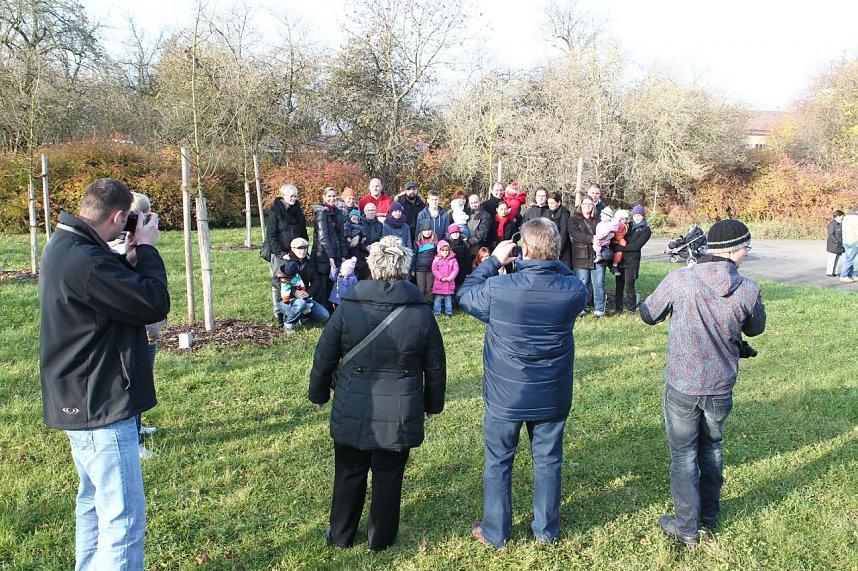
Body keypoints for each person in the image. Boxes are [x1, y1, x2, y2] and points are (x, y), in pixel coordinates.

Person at [40, 178, 170, 570]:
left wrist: (124, 263)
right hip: (101, 403)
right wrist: (145, 249)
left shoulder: (65, 245)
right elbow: (153, 303)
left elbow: (100, 291)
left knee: (93, 505)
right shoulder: (88, 262)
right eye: (126, 219)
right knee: (123, 519)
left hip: (80, 397)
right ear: (117, 216)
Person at [309, 236, 447, 552]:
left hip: (353, 403)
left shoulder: (347, 308)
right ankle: (380, 539)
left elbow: (324, 355)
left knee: (348, 472)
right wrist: (432, 404)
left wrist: (319, 394)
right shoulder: (421, 312)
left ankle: (341, 534)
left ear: (372, 266)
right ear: (405, 269)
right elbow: (435, 365)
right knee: (388, 474)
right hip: (399, 409)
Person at [457, 218, 588, 549]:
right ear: (555, 252)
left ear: (523, 249)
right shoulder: (572, 291)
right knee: (548, 460)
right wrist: (549, 259)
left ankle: (495, 532)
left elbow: (466, 294)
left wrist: (493, 261)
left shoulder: (500, 288)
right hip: (551, 393)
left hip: (507, 394)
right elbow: (572, 280)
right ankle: (546, 531)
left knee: (500, 460)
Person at [640, 219, 766, 548]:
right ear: (734, 252)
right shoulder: (748, 290)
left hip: (683, 384)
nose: (748, 252)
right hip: (719, 386)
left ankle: (687, 527)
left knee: (683, 456)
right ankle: (708, 516)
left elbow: (648, 313)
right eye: (745, 248)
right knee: (711, 450)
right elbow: (754, 329)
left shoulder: (680, 279)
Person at [266, 184, 310, 325]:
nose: (294, 198)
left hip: (296, 252)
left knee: (296, 280)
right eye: (291, 196)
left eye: (295, 196)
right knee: (280, 281)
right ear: (283, 196)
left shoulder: (298, 211)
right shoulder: (275, 211)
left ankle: (295, 310)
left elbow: (303, 231)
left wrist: (304, 250)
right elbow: (271, 235)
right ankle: (279, 312)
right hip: (280, 252)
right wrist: (280, 253)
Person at [569, 195, 607, 316]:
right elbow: (575, 234)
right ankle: (581, 307)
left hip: (597, 256)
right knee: (582, 283)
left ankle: (599, 309)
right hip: (581, 256)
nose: (587, 206)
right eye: (584, 204)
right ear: (580, 205)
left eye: (589, 204)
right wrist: (592, 239)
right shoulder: (574, 219)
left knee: (598, 283)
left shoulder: (599, 220)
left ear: (593, 206)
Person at [311, 187, 348, 308]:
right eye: (329, 196)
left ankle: (330, 310)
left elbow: (341, 235)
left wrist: (343, 254)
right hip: (323, 254)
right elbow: (323, 237)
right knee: (322, 285)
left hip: (336, 252)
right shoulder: (321, 212)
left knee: (333, 284)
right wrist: (330, 256)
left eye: (334, 196)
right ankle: (319, 311)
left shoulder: (338, 212)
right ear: (324, 197)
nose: (332, 199)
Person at [613, 205, 652, 315]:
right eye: (635, 215)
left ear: (643, 216)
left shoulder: (646, 230)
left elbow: (636, 246)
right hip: (621, 259)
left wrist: (621, 248)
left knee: (629, 285)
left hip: (632, 261)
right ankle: (618, 309)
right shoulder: (628, 226)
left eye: (639, 215)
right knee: (619, 285)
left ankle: (631, 309)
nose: (637, 218)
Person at [432, 239, 459, 316]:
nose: (445, 252)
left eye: (447, 250)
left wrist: (450, 277)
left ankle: (449, 312)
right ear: (439, 251)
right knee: (438, 299)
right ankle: (437, 312)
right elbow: (434, 269)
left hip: (449, 283)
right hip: (439, 283)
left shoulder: (453, 259)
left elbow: (456, 269)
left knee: (448, 299)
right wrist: (441, 277)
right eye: (443, 250)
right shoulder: (436, 260)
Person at [545, 192, 572, 268]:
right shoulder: (548, 213)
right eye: (549, 203)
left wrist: (559, 251)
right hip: (550, 247)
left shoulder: (564, 213)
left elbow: (564, 233)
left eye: (552, 203)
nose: (550, 205)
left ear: (559, 202)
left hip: (563, 249)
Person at [414, 221, 438, 303]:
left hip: (431, 269)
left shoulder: (435, 242)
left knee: (429, 288)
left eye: (429, 230)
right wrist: (412, 269)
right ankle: (420, 304)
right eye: (425, 230)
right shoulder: (417, 242)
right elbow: (414, 255)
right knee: (421, 288)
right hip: (419, 269)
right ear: (421, 232)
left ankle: (430, 305)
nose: (427, 232)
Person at [466, 194, 492, 264]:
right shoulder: (466, 214)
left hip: (477, 247)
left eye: (475, 202)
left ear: (480, 202)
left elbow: (482, 233)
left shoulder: (485, 216)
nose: (474, 205)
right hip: (465, 246)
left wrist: (469, 242)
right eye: (471, 203)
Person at [446, 223, 470, 290]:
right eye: (453, 233)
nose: (455, 234)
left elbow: (467, 259)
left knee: (460, 286)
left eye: (457, 232)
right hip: (450, 269)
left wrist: (468, 271)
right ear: (450, 234)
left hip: (461, 268)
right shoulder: (447, 244)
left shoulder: (464, 244)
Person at [837, 206, 858, 282]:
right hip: (854, 241)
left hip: (846, 240)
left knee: (849, 258)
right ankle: (844, 275)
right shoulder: (856, 219)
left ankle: (850, 274)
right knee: (851, 259)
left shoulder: (846, 217)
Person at [826, 210, 845, 277]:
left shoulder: (841, 223)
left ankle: (835, 272)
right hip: (833, 245)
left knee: (838, 259)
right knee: (832, 258)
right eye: (842, 216)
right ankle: (829, 272)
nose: (843, 217)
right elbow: (831, 234)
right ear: (837, 216)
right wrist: (836, 241)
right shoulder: (832, 224)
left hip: (840, 245)